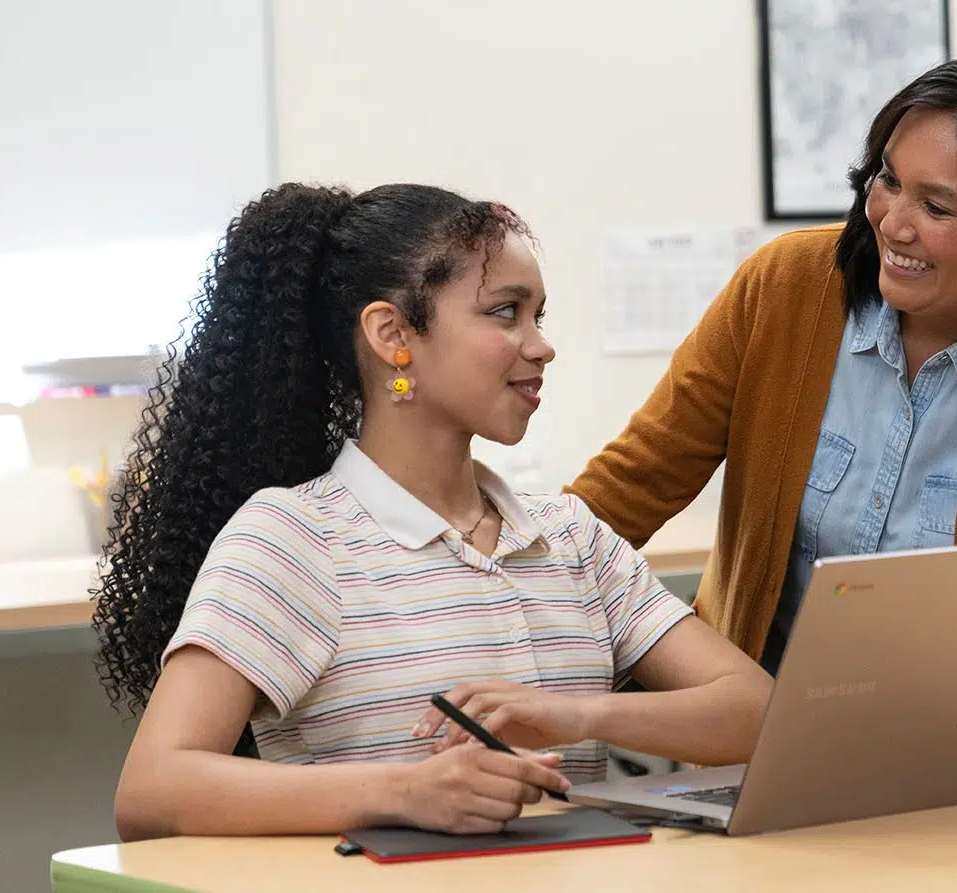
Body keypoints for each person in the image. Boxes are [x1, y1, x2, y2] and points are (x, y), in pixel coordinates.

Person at [567, 50, 957, 789]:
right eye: (888, 179)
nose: (892, 221)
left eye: (938, 206)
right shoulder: (785, 288)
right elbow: (622, 494)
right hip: (748, 767)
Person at [92, 183, 772, 841]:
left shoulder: (572, 537)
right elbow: (152, 789)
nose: (540, 344)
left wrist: (576, 714)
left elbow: (763, 715)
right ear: (393, 334)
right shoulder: (292, 540)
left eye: (540, 315)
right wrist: (405, 791)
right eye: (506, 312)